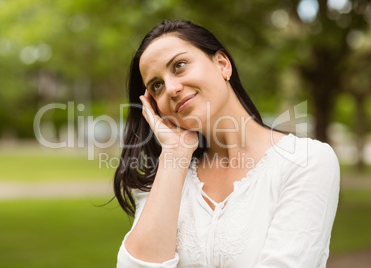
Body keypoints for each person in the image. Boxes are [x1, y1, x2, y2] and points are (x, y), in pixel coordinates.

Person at [115, 19, 340, 267]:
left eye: (179, 66)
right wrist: (176, 153)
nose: (170, 88)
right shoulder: (162, 178)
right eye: (156, 85)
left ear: (222, 64)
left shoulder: (305, 161)